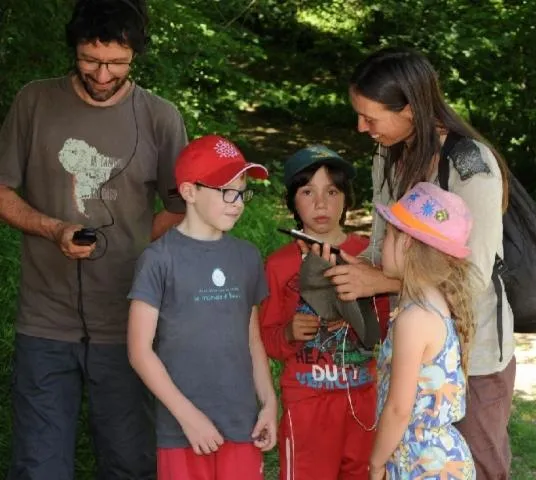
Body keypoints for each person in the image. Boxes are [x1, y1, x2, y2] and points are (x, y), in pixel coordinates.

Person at [0, 1, 187, 478]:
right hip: (44, 321)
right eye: (90, 59)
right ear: (74, 50)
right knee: (38, 466)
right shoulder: (35, 102)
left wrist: (129, 241)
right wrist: (52, 229)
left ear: (135, 57)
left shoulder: (161, 118)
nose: (103, 75)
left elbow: (180, 206)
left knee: (130, 463)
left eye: (117, 63)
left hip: (129, 322)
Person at [324, 47, 516, 479]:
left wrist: (379, 283)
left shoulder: (471, 165)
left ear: (409, 108)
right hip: (418, 349)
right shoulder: (389, 153)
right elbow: (380, 246)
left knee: (481, 464)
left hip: (475, 353)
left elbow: (475, 276)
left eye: (370, 117)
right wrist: (349, 275)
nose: (361, 127)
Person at [127, 135, 277, 480]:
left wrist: (269, 402)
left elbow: (251, 340)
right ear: (189, 192)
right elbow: (139, 351)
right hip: (183, 433)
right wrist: (188, 417)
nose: (237, 202)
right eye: (226, 191)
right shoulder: (158, 259)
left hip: (242, 425)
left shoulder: (246, 256)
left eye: (242, 192)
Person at [259, 145, 388, 479]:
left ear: (346, 198)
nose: (321, 203)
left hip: (362, 400)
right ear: (292, 200)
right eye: (307, 192)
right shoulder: (278, 265)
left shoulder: (369, 256)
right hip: (307, 404)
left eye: (332, 191)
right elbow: (267, 340)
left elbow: (387, 327)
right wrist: (288, 333)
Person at [370, 181, 477, 479]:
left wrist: (376, 462)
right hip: (438, 459)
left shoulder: (414, 319)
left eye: (388, 236)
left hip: (420, 464)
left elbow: (398, 409)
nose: (381, 245)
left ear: (407, 243)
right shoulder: (432, 304)